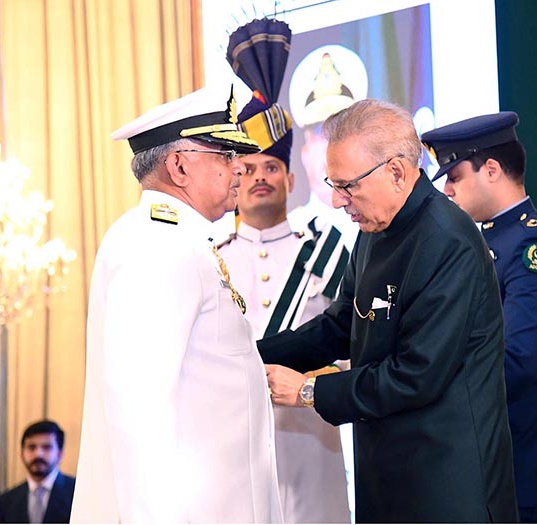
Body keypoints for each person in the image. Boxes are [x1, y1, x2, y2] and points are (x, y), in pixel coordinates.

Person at [262, 98, 518, 523]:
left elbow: (416, 375)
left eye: (347, 185)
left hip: (447, 487)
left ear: (397, 172)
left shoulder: (447, 240)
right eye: (333, 183)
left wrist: (307, 391)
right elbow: (342, 325)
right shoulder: (375, 225)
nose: (338, 199)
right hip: (387, 476)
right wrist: (251, 354)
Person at [70, 87, 282, 523]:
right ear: (179, 165)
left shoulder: (178, 238)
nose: (239, 166)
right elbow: (139, 413)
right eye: (224, 153)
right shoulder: (157, 244)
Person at [220, 19, 350, 523]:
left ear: (291, 177)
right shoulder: (211, 255)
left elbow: (350, 339)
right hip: (235, 435)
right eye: (247, 169)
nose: (259, 177)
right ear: (234, 181)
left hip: (310, 435)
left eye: (270, 167)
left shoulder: (329, 248)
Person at [421, 112, 537, 523]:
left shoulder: (535, 247)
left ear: (491, 170)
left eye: (454, 177)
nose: (447, 190)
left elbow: (516, 364)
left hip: (519, 475)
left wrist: (420, 386)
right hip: (466, 473)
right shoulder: (470, 243)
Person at [287, 45, 368, 250]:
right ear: (305, 154)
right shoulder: (291, 232)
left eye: (339, 131)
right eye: (319, 133)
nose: (329, 146)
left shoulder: (379, 221)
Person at [0, 420, 75, 524]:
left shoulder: (78, 493)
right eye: (31, 447)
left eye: (47, 447)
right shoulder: (7, 500)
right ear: (21, 454)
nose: (38, 454)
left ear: (60, 454)